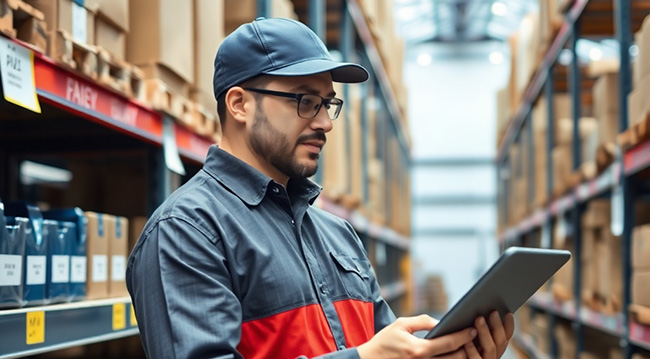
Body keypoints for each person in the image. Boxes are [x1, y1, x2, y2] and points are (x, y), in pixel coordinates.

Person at [126, 17, 515, 359]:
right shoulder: (187, 231)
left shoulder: (337, 234)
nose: (326, 123)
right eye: (306, 101)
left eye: (328, 104)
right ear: (240, 104)